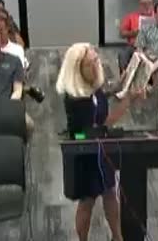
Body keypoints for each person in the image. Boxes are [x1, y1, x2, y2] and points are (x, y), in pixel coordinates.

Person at [56, 43, 145, 241]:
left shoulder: (92, 88)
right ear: (79, 67)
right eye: (92, 62)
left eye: (97, 60)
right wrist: (127, 102)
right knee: (87, 201)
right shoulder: (75, 98)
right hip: (83, 149)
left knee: (110, 193)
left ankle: (117, 237)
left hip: (100, 148)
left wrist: (123, 83)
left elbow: (102, 96)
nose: (97, 65)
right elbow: (102, 124)